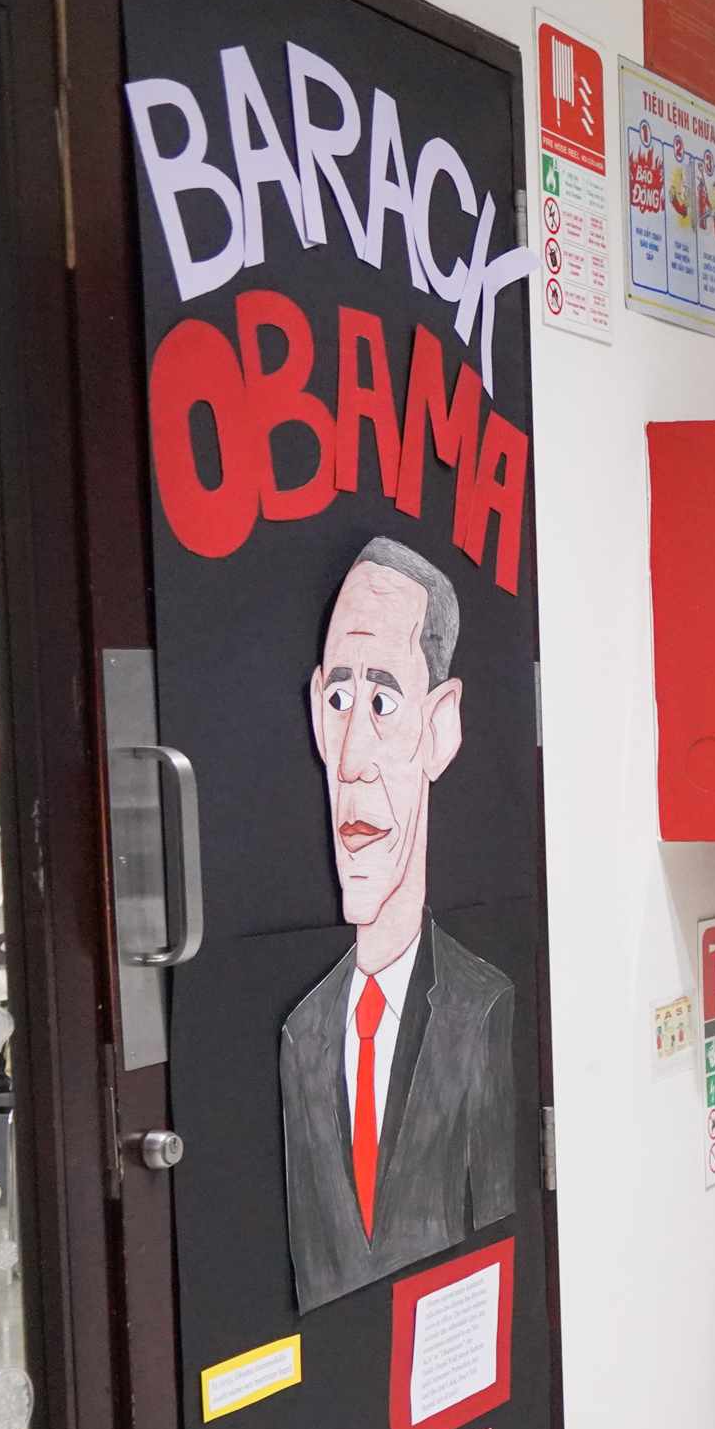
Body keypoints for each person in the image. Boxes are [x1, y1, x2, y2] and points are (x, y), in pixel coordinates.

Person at [278, 536, 516, 1315]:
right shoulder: (302, 1036)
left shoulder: (481, 1011)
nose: (350, 758)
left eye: (381, 702)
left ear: (439, 728)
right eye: (339, 702)